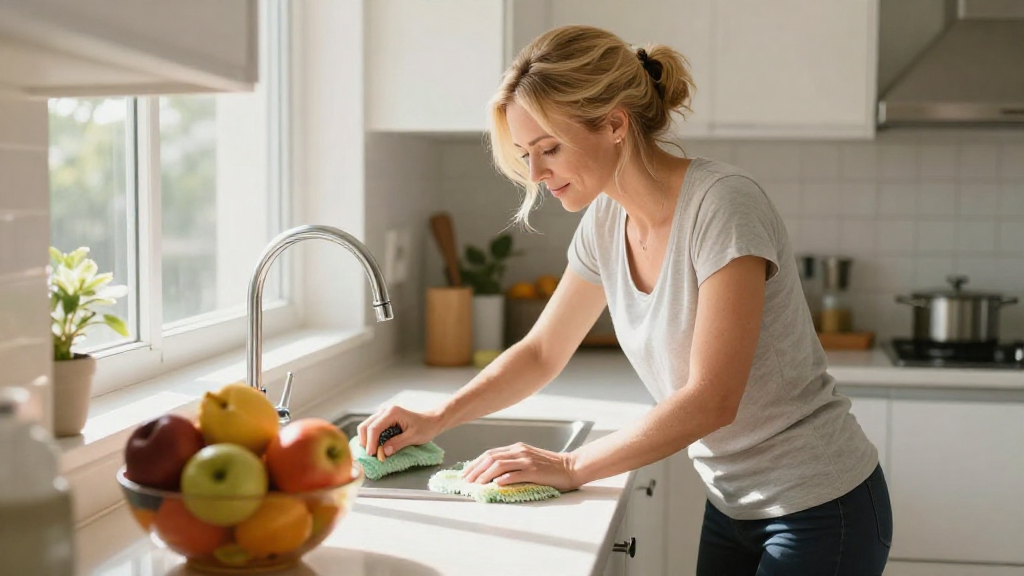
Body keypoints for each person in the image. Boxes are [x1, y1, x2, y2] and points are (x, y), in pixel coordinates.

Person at [358, 25, 892, 576]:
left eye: (550, 149)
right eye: (526, 154)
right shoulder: (606, 221)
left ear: (615, 123)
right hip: (732, 506)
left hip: (822, 508)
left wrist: (571, 465)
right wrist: (437, 416)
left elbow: (712, 398)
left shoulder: (723, 206)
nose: (537, 175)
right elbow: (543, 351)